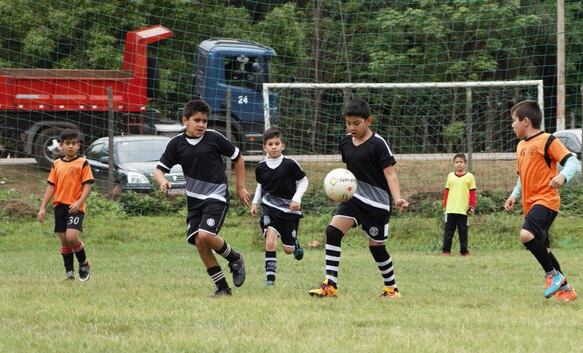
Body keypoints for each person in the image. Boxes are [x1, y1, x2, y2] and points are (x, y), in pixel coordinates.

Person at [308, 98, 409, 299]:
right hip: (354, 200)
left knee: (377, 247)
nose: (351, 127)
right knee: (333, 231)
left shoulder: (378, 144)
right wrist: (340, 189)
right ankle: (330, 285)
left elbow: (390, 173)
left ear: (368, 121)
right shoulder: (345, 142)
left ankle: (391, 289)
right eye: (348, 123)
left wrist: (397, 198)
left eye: (356, 123)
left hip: (377, 205)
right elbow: (349, 173)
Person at [153, 99, 250, 297]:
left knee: (205, 235)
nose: (201, 125)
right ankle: (223, 288)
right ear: (185, 120)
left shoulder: (214, 138)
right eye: (197, 120)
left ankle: (235, 259)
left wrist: (240, 187)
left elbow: (238, 157)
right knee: (199, 242)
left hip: (216, 196)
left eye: (204, 121)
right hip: (195, 201)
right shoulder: (176, 144)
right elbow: (158, 170)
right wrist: (162, 181)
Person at [504, 100, 580, 302]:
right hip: (530, 204)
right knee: (544, 249)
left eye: (514, 121)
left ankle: (552, 275)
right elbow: (522, 176)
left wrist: (562, 177)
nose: (512, 125)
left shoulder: (548, 140)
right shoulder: (520, 146)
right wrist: (514, 195)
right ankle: (566, 289)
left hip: (546, 201)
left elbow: (572, 161)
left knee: (525, 234)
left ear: (525, 121)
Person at [249, 127, 308, 286]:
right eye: (270, 144)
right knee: (270, 241)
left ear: (283, 145)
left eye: (277, 143)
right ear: (264, 147)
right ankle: (270, 280)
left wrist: (297, 199)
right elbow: (260, 186)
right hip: (270, 208)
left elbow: (303, 181)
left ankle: (293, 243)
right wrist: (255, 203)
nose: (274, 146)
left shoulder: (290, 164)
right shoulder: (261, 167)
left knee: (288, 250)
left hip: (289, 210)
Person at [37, 129, 95, 281]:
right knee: (64, 240)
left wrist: (79, 202)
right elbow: (51, 186)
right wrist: (43, 207)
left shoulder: (82, 163)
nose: (70, 146)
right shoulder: (56, 164)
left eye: (73, 143)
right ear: (61, 146)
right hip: (60, 207)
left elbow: (88, 185)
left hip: (75, 207)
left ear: (78, 146)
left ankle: (84, 263)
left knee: (72, 237)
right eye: (67, 143)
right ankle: (69, 275)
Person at [442, 153, 476, 256]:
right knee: (448, 232)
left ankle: (464, 251)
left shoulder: (470, 177)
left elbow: (472, 193)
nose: (459, 164)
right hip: (450, 209)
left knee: (463, 232)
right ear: (453, 164)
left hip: (463, 210)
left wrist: (472, 206)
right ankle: (446, 251)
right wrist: (444, 205)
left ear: (465, 163)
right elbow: (446, 192)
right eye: (457, 162)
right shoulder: (450, 176)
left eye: (461, 162)